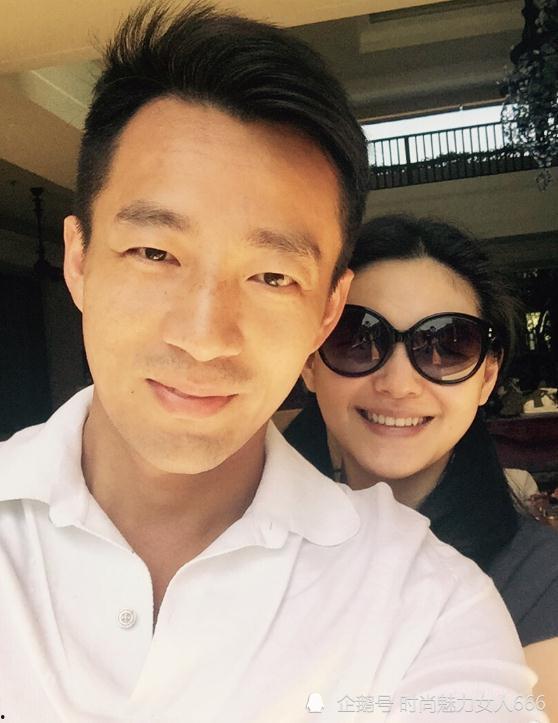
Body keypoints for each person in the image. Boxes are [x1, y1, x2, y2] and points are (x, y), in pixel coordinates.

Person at [0, 4, 546, 721]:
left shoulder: (427, 603)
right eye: (155, 253)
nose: (204, 337)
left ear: (325, 311)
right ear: (79, 262)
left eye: (271, 277)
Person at [286, 213, 558, 721]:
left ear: (486, 376)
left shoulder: (540, 581)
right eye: (357, 338)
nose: (398, 384)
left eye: (448, 346)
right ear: (309, 361)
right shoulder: (234, 540)